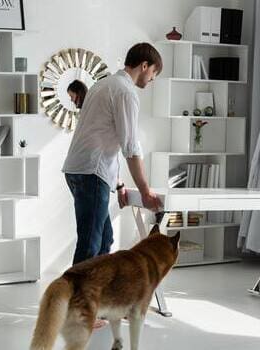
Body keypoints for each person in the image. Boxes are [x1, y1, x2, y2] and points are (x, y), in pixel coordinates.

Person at [62, 42, 163, 267]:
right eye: (154, 73)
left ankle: (95, 298)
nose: (153, 79)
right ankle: (74, 301)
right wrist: (145, 191)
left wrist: (118, 185)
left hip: (78, 170)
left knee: (103, 240)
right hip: (91, 173)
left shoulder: (103, 84)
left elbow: (103, 137)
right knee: (90, 246)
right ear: (144, 66)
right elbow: (130, 146)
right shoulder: (125, 92)